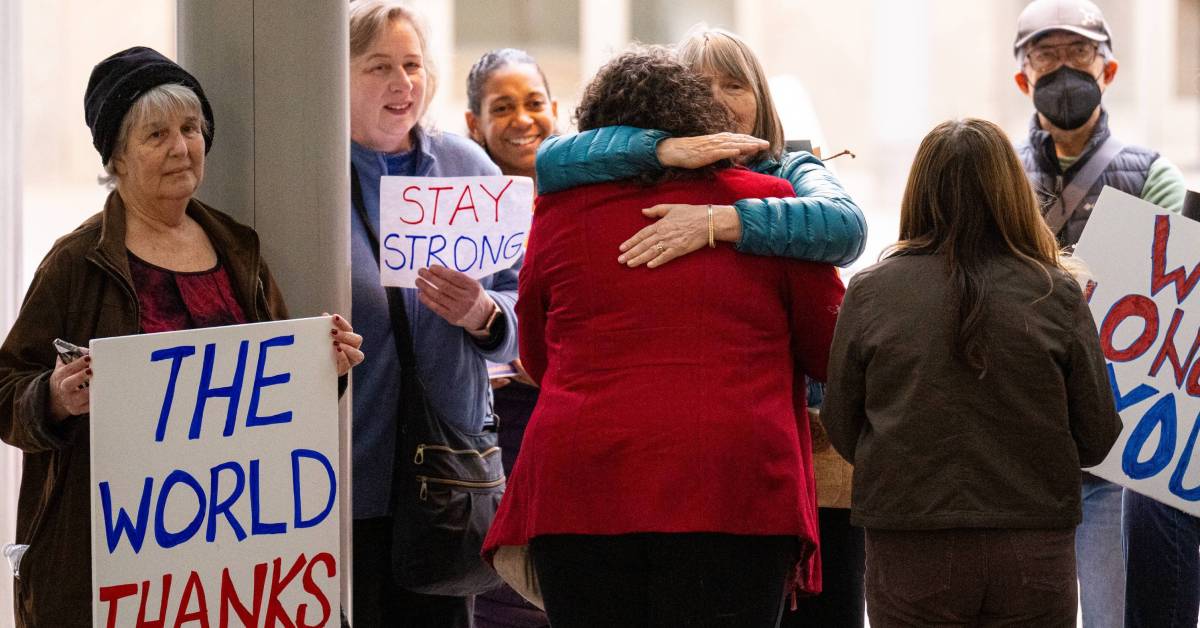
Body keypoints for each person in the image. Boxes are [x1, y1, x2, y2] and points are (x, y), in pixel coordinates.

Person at [482, 46, 844, 628]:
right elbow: (829, 347)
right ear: (701, 116)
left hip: (581, 483)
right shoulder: (771, 205)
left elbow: (537, 352)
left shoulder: (559, 209)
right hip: (734, 486)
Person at [0, 46, 363, 627]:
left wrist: (324, 370)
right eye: (156, 135)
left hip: (232, 563)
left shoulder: (238, 250)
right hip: (115, 563)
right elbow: (6, 388)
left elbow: (273, 402)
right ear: (116, 157)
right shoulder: (75, 263)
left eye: (191, 129)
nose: (181, 147)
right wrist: (53, 397)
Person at [821, 118, 1122, 627]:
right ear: (1012, 192)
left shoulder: (871, 292)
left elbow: (843, 424)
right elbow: (1096, 437)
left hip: (909, 539)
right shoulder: (1057, 293)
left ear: (918, 191)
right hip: (1033, 544)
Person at [1010, 2, 1188, 624]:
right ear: (1021, 76)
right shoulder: (995, 174)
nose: (1063, 69)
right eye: (1045, 54)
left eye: (1079, 54)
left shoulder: (1153, 175)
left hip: (1118, 442)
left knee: (1113, 612)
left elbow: (1178, 291)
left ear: (1108, 70)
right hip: (1017, 439)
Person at [347, 3, 519, 626]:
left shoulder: (469, 169)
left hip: (450, 471)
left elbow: (522, 309)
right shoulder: (312, 179)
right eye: (379, 67)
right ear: (337, 76)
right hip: (345, 475)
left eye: (413, 65)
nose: (403, 83)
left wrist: (484, 313)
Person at [535, 25, 865, 271]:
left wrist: (715, 221)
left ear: (761, 101)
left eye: (734, 86)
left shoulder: (789, 168)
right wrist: (660, 149)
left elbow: (847, 227)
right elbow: (551, 160)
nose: (718, 101)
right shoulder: (655, 163)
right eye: (701, 86)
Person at [463, 47, 554, 628]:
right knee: (507, 593)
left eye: (534, 102)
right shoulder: (458, 203)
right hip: (502, 421)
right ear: (473, 124)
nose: (523, 119)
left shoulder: (579, 196)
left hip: (571, 418)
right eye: (503, 107)